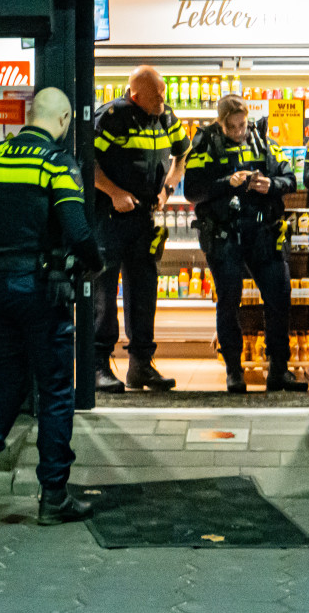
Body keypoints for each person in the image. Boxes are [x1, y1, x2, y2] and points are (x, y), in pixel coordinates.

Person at [0, 87, 104, 526]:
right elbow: (76, 231)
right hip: (39, 288)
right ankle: (53, 496)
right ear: (63, 121)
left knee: (9, 376)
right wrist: (94, 265)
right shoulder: (55, 163)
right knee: (56, 390)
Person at [184, 95, 307, 393]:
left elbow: (290, 178)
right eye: (233, 127)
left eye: (243, 125)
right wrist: (228, 182)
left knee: (279, 298)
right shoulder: (204, 146)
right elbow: (192, 191)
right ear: (220, 122)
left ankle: (279, 370)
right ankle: (234, 371)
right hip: (224, 233)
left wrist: (272, 185)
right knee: (229, 302)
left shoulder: (263, 141)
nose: (240, 131)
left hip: (264, 232)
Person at [92, 66, 191, 393]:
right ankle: (98, 366)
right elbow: (86, 163)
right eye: (156, 96)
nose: (162, 100)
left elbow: (183, 152)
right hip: (109, 217)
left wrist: (168, 188)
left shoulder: (166, 116)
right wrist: (114, 193)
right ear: (134, 96)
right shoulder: (111, 117)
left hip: (145, 218)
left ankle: (141, 367)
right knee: (104, 293)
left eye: (163, 93)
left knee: (144, 291)